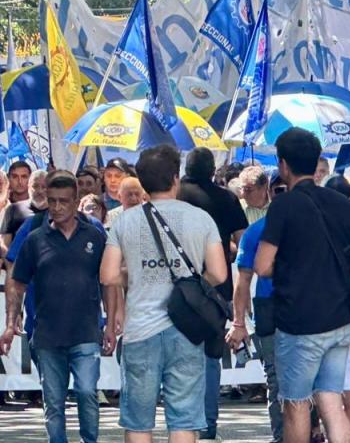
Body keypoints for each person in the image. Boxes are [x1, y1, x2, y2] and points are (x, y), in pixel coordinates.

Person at [253, 128, 350, 443]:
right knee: (332, 400)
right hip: (339, 319)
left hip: (298, 323)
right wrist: (341, 288)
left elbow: (263, 265)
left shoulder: (283, 205)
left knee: (295, 404)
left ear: (283, 165)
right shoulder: (342, 202)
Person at [101, 144, 227, 443]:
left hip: (140, 329)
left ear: (143, 182)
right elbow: (219, 273)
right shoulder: (200, 219)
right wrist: (191, 286)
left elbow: (107, 275)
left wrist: (136, 273)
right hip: (186, 329)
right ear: (175, 178)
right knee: (183, 418)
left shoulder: (125, 221)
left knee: (138, 421)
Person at [0, 171, 117, 443]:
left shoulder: (95, 236)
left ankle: (90, 440)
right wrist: (10, 323)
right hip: (47, 334)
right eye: (52, 201)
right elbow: (17, 283)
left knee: (87, 392)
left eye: (64, 201)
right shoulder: (35, 238)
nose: (57, 207)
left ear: (76, 201)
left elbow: (108, 282)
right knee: (54, 402)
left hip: (86, 331)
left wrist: (111, 323)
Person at [177, 147, 249, 441]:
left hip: (177, 284)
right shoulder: (226, 197)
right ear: (212, 170)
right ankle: (207, 423)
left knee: (179, 354)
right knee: (209, 355)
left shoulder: (175, 196)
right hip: (216, 286)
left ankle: (182, 420)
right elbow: (242, 242)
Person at [226, 173, 287, 442]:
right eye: (278, 190)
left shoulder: (314, 226)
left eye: (287, 189)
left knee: (308, 379)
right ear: (269, 193)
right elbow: (243, 280)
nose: (282, 195)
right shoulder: (255, 232)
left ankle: (312, 430)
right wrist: (238, 322)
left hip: (307, 307)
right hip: (269, 307)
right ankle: (281, 436)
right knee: (275, 378)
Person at [0, 167, 48, 250]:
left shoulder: (58, 213)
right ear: (28, 186)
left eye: (44, 187)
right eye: (35, 186)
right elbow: (4, 246)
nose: (40, 191)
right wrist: (11, 263)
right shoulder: (13, 210)